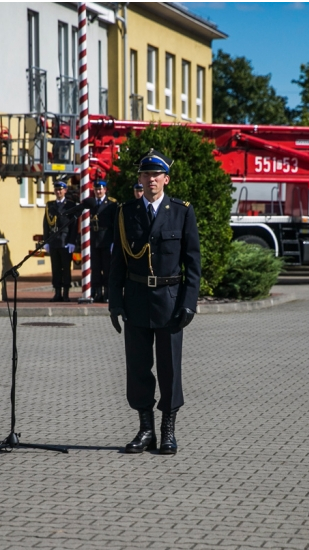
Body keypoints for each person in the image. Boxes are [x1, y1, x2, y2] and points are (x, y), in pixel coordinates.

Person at [108, 150, 201, 455]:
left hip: (170, 302)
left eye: (156, 175)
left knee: (169, 369)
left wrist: (189, 303)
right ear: (139, 179)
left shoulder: (182, 211)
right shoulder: (126, 212)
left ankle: (168, 431)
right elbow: (118, 261)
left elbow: (193, 263)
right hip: (136, 300)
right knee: (138, 368)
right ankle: (146, 430)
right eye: (145, 175)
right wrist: (115, 302)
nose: (151, 180)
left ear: (166, 179)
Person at [68, 178, 118, 303]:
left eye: (100, 189)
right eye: (96, 189)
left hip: (106, 239)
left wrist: (114, 241)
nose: (98, 191)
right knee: (95, 269)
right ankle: (97, 293)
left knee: (107, 268)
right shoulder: (90, 203)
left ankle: (107, 293)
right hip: (94, 239)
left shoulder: (111, 204)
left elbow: (115, 224)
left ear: (105, 190)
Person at [42, 180, 78, 302]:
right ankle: (57, 292)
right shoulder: (50, 205)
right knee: (56, 268)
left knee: (66, 269)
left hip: (65, 241)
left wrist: (72, 241)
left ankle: (66, 293)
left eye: (61, 189)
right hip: (54, 241)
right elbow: (46, 224)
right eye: (56, 190)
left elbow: (74, 225)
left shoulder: (70, 205)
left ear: (65, 191)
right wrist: (46, 240)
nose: (58, 192)